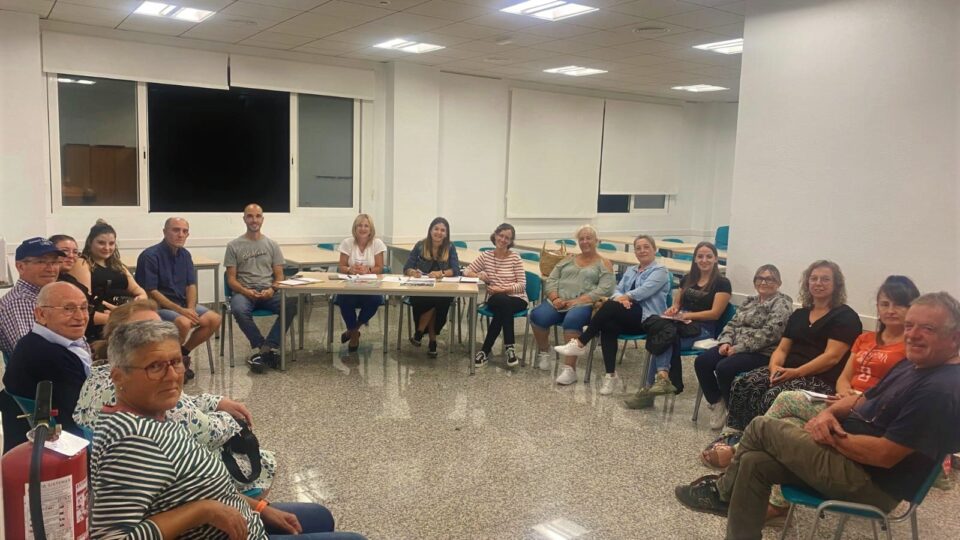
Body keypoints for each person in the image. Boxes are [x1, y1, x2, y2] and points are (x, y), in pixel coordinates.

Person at [675, 292, 960, 540]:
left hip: (869, 482)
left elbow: (884, 456)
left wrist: (833, 438)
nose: (913, 334)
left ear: (955, 337)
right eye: (910, 326)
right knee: (753, 462)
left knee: (762, 427)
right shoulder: (914, 364)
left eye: (928, 328)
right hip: (849, 459)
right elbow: (862, 398)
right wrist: (829, 414)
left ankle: (721, 493)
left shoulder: (938, 390)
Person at [90, 320, 366, 539]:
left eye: (176, 362)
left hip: (240, 518)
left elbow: (199, 487)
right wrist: (204, 511)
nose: (172, 375)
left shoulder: (155, 413)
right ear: (118, 376)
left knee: (320, 515)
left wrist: (258, 507)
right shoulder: (130, 442)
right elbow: (111, 537)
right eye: (155, 367)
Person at [700, 276, 921, 523]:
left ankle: (737, 453)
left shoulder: (912, 348)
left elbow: (892, 390)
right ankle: (775, 502)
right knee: (784, 416)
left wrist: (856, 399)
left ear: (913, 308)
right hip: (839, 401)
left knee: (785, 400)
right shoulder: (867, 340)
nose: (890, 310)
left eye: (899, 305)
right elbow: (845, 377)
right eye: (885, 304)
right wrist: (844, 393)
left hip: (864, 413)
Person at [75, 299, 276, 495]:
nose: (157, 337)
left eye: (159, 328)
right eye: (143, 332)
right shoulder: (142, 391)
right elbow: (204, 432)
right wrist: (233, 421)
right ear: (118, 340)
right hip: (180, 483)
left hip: (133, 474)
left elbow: (182, 403)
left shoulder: (97, 375)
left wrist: (215, 402)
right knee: (262, 460)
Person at [724, 260, 862, 431]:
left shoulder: (845, 317)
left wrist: (796, 372)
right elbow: (782, 349)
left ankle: (760, 439)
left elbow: (831, 358)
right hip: (788, 371)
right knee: (743, 384)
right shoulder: (799, 314)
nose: (818, 283)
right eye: (814, 278)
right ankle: (738, 434)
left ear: (836, 285)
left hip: (819, 379)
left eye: (825, 279)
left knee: (772, 396)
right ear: (807, 283)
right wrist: (774, 368)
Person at [553, 235, 669, 394]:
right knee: (608, 325)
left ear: (654, 250)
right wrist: (622, 299)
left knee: (609, 306)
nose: (642, 251)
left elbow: (644, 291)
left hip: (647, 319)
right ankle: (610, 375)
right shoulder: (631, 270)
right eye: (638, 248)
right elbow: (616, 290)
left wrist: (626, 297)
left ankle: (581, 342)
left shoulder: (660, 271)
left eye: (646, 247)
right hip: (626, 314)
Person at [625, 241, 731, 409]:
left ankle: (650, 389)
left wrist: (687, 315)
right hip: (679, 324)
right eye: (700, 256)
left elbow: (715, 313)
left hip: (703, 328)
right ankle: (661, 380)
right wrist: (674, 310)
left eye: (709, 257)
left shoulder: (722, 283)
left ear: (716, 259)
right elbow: (677, 303)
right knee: (663, 336)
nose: (704, 260)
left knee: (663, 340)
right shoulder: (688, 279)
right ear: (695, 259)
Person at [693, 264, 793, 429]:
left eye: (770, 279)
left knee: (724, 368)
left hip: (762, 352)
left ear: (778, 283)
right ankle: (717, 402)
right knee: (702, 362)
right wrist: (726, 342)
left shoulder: (782, 303)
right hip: (735, 346)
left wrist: (739, 348)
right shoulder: (750, 301)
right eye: (760, 278)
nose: (764, 282)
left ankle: (734, 413)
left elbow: (771, 334)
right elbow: (732, 324)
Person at [3, 282, 91, 442]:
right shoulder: (48, 357)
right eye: (68, 309)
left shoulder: (33, 342)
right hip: (65, 445)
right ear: (41, 314)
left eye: (84, 308)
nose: (80, 317)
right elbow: (85, 413)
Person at [135, 217, 222, 380]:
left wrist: (190, 309)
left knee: (214, 319)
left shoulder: (185, 255)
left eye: (184, 231)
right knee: (184, 322)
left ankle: (181, 355)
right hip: (158, 307)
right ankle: (170, 360)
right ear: (164, 232)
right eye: (176, 230)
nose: (180, 234)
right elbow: (151, 291)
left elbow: (191, 285)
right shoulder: (150, 256)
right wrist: (182, 311)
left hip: (181, 305)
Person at [530, 224, 615, 384]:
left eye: (589, 238)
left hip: (585, 304)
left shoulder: (604, 263)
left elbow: (606, 289)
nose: (585, 241)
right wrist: (555, 298)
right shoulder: (568, 259)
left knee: (572, 320)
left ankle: (569, 369)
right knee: (537, 315)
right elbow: (551, 279)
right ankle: (545, 351)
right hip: (559, 302)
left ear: (596, 241)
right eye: (581, 239)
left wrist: (578, 301)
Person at [225, 203, 297, 373]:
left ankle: (267, 347)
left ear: (262, 219)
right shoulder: (233, 246)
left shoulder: (272, 245)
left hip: (268, 291)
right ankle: (263, 348)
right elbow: (231, 280)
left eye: (258, 216)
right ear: (244, 219)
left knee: (291, 305)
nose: (254, 220)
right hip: (244, 292)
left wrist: (272, 290)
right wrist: (245, 291)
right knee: (238, 309)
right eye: (250, 216)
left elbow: (279, 276)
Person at [69, 219, 148, 340]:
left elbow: (139, 291)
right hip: (101, 321)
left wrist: (139, 301)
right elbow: (84, 303)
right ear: (90, 242)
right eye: (101, 243)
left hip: (125, 315)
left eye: (111, 244)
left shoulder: (118, 265)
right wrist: (117, 318)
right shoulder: (83, 263)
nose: (107, 248)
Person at [463, 223, 527, 368]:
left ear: (510, 241)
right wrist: (480, 275)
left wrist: (501, 289)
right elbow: (467, 271)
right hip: (496, 299)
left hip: (518, 299)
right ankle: (510, 348)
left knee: (502, 309)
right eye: (501, 235)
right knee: (502, 302)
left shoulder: (515, 258)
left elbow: (522, 285)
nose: (503, 240)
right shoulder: (486, 256)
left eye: (507, 238)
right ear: (495, 235)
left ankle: (484, 352)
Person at [403, 217, 461, 358]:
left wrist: (442, 273)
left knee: (439, 299)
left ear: (446, 234)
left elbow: (456, 270)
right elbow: (407, 267)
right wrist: (413, 272)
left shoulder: (450, 247)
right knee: (433, 300)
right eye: (436, 229)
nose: (439, 232)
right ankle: (432, 341)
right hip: (422, 289)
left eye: (442, 230)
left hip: (443, 289)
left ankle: (419, 332)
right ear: (430, 230)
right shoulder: (420, 245)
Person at [0, 237, 63, 355]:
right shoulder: (20, 302)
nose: (51, 269)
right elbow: (32, 353)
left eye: (55, 262)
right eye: (41, 262)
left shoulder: (45, 296)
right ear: (20, 267)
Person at [336, 214, 386, 352]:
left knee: (376, 300)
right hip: (350, 285)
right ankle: (354, 336)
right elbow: (341, 266)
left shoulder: (377, 244)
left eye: (366, 226)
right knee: (343, 299)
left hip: (370, 285)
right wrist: (350, 269)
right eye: (360, 225)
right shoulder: (347, 243)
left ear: (371, 229)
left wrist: (368, 270)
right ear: (355, 228)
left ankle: (353, 330)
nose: (363, 229)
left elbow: (380, 268)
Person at [50, 233, 106, 338]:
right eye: (65, 251)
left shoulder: (69, 278)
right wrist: (114, 318)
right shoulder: (54, 284)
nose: (71, 256)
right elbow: (76, 314)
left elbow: (91, 301)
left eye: (75, 252)